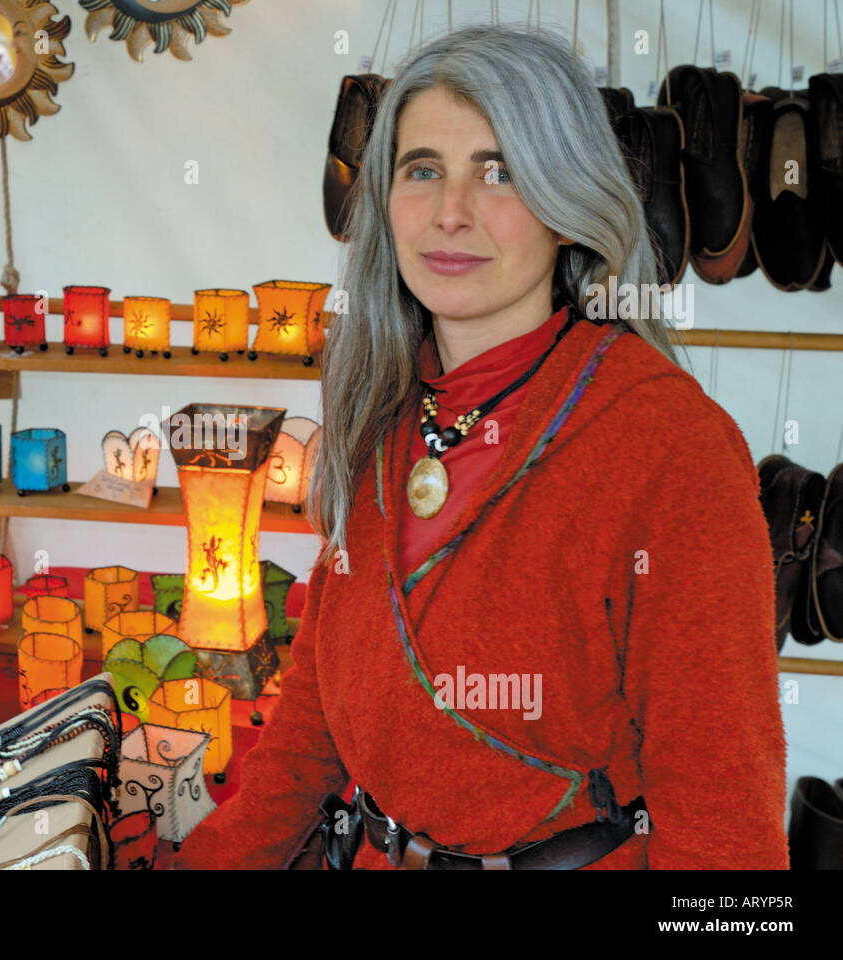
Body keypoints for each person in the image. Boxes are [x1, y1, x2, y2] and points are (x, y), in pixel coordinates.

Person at [174, 25, 788, 869]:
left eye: (498, 171)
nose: (450, 211)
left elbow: (726, 831)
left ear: (569, 206)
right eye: (422, 169)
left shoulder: (669, 448)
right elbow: (313, 726)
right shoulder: (383, 417)